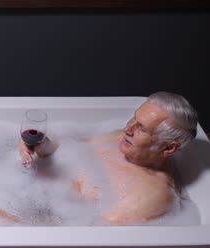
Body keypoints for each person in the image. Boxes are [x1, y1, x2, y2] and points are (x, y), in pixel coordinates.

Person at [18, 91, 198, 225]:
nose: (128, 128)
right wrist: (39, 144)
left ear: (168, 147)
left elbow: (90, 232)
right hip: (33, 194)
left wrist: (15, 220)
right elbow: (63, 148)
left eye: (141, 128)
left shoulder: (151, 195)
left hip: (43, 217)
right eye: (134, 117)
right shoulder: (121, 138)